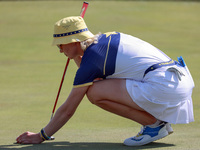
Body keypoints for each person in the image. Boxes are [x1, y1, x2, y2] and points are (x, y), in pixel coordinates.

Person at [16, 16, 194, 146]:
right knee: (99, 86)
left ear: (75, 41)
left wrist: (41, 136)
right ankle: (156, 123)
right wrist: (78, 55)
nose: (60, 50)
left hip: (165, 86)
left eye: (62, 44)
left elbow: (68, 109)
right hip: (177, 79)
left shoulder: (92, 60)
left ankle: (154, 125)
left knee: (94, 93)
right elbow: (97, 74)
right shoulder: (105, 40)